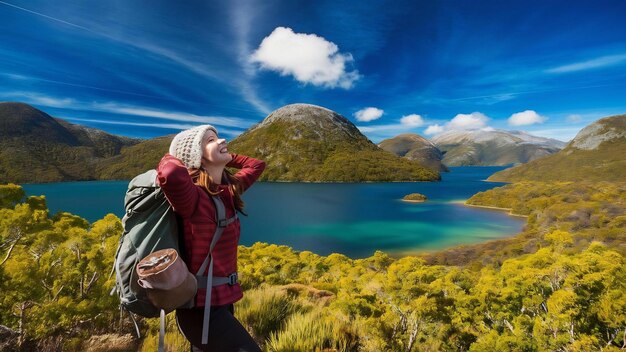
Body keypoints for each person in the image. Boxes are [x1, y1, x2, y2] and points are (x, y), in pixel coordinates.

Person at [157, 124, 265, 352]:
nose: (223, 140)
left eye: (218, 137)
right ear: (196, 155)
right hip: (199, 310)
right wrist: (180, 153)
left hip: (221, 302)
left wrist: (221, 154)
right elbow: (170, 174)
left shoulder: (229, 189)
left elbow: (256, 164)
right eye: (210, 140)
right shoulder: (192, 198)